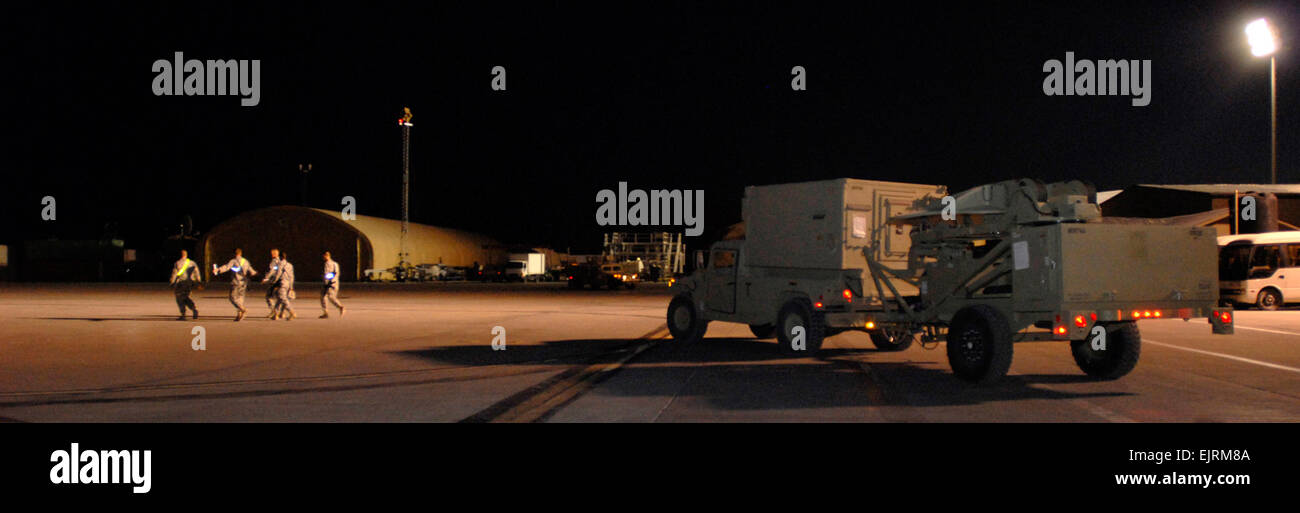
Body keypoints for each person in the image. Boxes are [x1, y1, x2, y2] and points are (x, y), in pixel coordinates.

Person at [212, 248, 258, 321]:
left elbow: (226, 267)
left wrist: (218, 270)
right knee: (240, 298)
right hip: (244, 282)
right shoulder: (246, 261)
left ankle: (243, 310)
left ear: (234, 254)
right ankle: (239, 315)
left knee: (232, 297)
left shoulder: (233, 261)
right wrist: (256, 274)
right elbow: (252, 271)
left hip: (236, 282)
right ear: (241, 253)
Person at [170, 249, 201, 320]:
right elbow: (197, 273)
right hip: (190, 283)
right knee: (186, 297)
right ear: (186, 255)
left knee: (179, 298)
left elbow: (174, 273)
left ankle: (183, 314)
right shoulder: (192, 263)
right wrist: (198, 282)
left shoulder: (178, 263)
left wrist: (172, 282)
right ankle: (194, 309)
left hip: (181, 283)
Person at [270, 252, 297, 321]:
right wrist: (291, 286)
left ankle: (292, 312)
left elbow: (278, 273)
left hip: (282, 283)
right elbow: (292, 276)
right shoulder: (290, 265)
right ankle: (276, 314)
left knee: (282, 298)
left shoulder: (280, 264)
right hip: (288, 283)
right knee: (279, 298)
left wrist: (274, 281)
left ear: (281, 257)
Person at [320, 251, 346, 318]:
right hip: (326, 283)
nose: (323, 258)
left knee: (331, 297)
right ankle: (325, 312)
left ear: (327, 256)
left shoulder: (334, 264)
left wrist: (329, 280)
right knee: (323, 297)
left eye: (324, 256)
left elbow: (335, 274)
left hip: (332, 283)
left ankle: (341, 307)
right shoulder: (326, 264)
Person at [261, 248, 282, 319]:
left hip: (273, 281)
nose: (271, 255)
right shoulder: (281, 261)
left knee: (269, 297)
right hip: (280, 281)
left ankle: (274, 311)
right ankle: (280, 312)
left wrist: (266, 278)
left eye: (272, 253)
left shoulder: (274, 261)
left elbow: (271, 271)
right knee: (279, 297)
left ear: (274, 254)